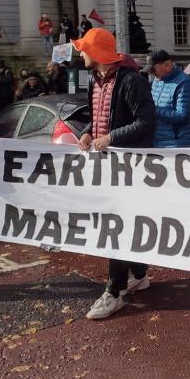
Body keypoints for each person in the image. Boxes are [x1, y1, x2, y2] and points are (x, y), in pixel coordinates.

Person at [73, 28, 156, 319]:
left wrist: (110, 138)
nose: (79, 53)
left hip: (130, 168)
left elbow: (147, 123)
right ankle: (140, 275)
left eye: (83, 48)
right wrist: (86, 132)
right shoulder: (94, 79)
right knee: (121, 224)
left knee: (115, 227)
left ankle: (114, 291)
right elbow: (94, 116)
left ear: (95, 53)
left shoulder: (132, 81)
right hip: (108, 167)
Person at [149, 50, 190, 148]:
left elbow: (182, 116)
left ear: (166, 65)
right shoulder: (156, 81)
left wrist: (153, 109)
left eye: (153, 69)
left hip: (178, 144)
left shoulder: (185, 83)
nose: (151, 73)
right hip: (158, 142)